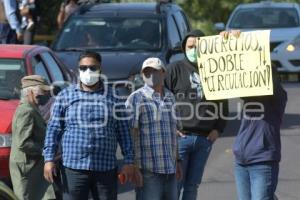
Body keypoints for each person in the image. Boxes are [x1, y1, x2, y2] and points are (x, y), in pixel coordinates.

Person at [43, 50, 136, 200]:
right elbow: (53, 130)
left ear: (100, 69)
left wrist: (129, 161)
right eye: (83, 68)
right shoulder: (65, 96)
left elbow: (124, 132)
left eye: (93, 68)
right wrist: (48, 159)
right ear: (78, 70)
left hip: (105, 168)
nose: (88, 71)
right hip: (73, 168)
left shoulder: (114, 97)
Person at [164, 30, 229, 200]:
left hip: (204, 140)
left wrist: (218, 130)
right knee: (175, 185)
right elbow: (161, 100)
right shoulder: (173, 69)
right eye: (190, 46)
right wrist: (170, 126)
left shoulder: (216, 69)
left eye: (198, 46)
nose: (194, 49)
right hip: (180, 139)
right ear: (184, 48)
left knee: (192, 186)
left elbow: (223, 103)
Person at [125, 57, 182, 200]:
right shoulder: (136, 98)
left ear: (163, 73)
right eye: (147, 73)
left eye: (155, 71)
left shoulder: (170, 97)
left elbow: (173, 132)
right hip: (148, 172)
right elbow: (131, 134)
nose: (151, 75)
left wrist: (178, 161)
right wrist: (134, 167)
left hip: (170, 169)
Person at [233, 68, 287, 200]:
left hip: (262, 161)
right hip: (241, 161)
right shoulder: (248, 98)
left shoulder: (278, 98)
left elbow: (273, 85)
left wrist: (260, 64)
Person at [9, 75, 56, 200]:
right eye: (43, 91)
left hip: (33, 166)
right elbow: (23, 143)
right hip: (28, 168)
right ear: (30, 92)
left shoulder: (32, 108)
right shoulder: (26, 111)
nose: (47, 94)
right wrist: (45, 151)